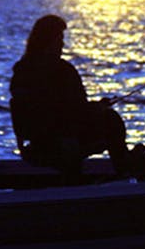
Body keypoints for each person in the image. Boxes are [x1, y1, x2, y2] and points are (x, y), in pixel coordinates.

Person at [9, 14, 133, 177]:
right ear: (48, 41)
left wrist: (94, 107)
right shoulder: (63, 71)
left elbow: (66, 109)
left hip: (37, 143)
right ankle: (125, 170)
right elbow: (73, 112)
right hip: (61, 142)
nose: (62, 43)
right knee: (111, 120)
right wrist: (98, 108)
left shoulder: (22, 69)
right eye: (59, 38)